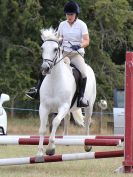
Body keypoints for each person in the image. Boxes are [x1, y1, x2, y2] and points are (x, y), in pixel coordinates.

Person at [26, 0, 90, 107]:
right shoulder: (62, 24)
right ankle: (37, 90)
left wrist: (79, 45)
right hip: (63, 53)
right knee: (46, 66)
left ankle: (81, 97)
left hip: (76, 54)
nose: (69, 16)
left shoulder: (82, 25)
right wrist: (56, 40)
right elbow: (60, 38)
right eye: (67, 14)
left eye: (71, 14)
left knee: (83, 73)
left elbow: (87, 41)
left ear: (76, 14)